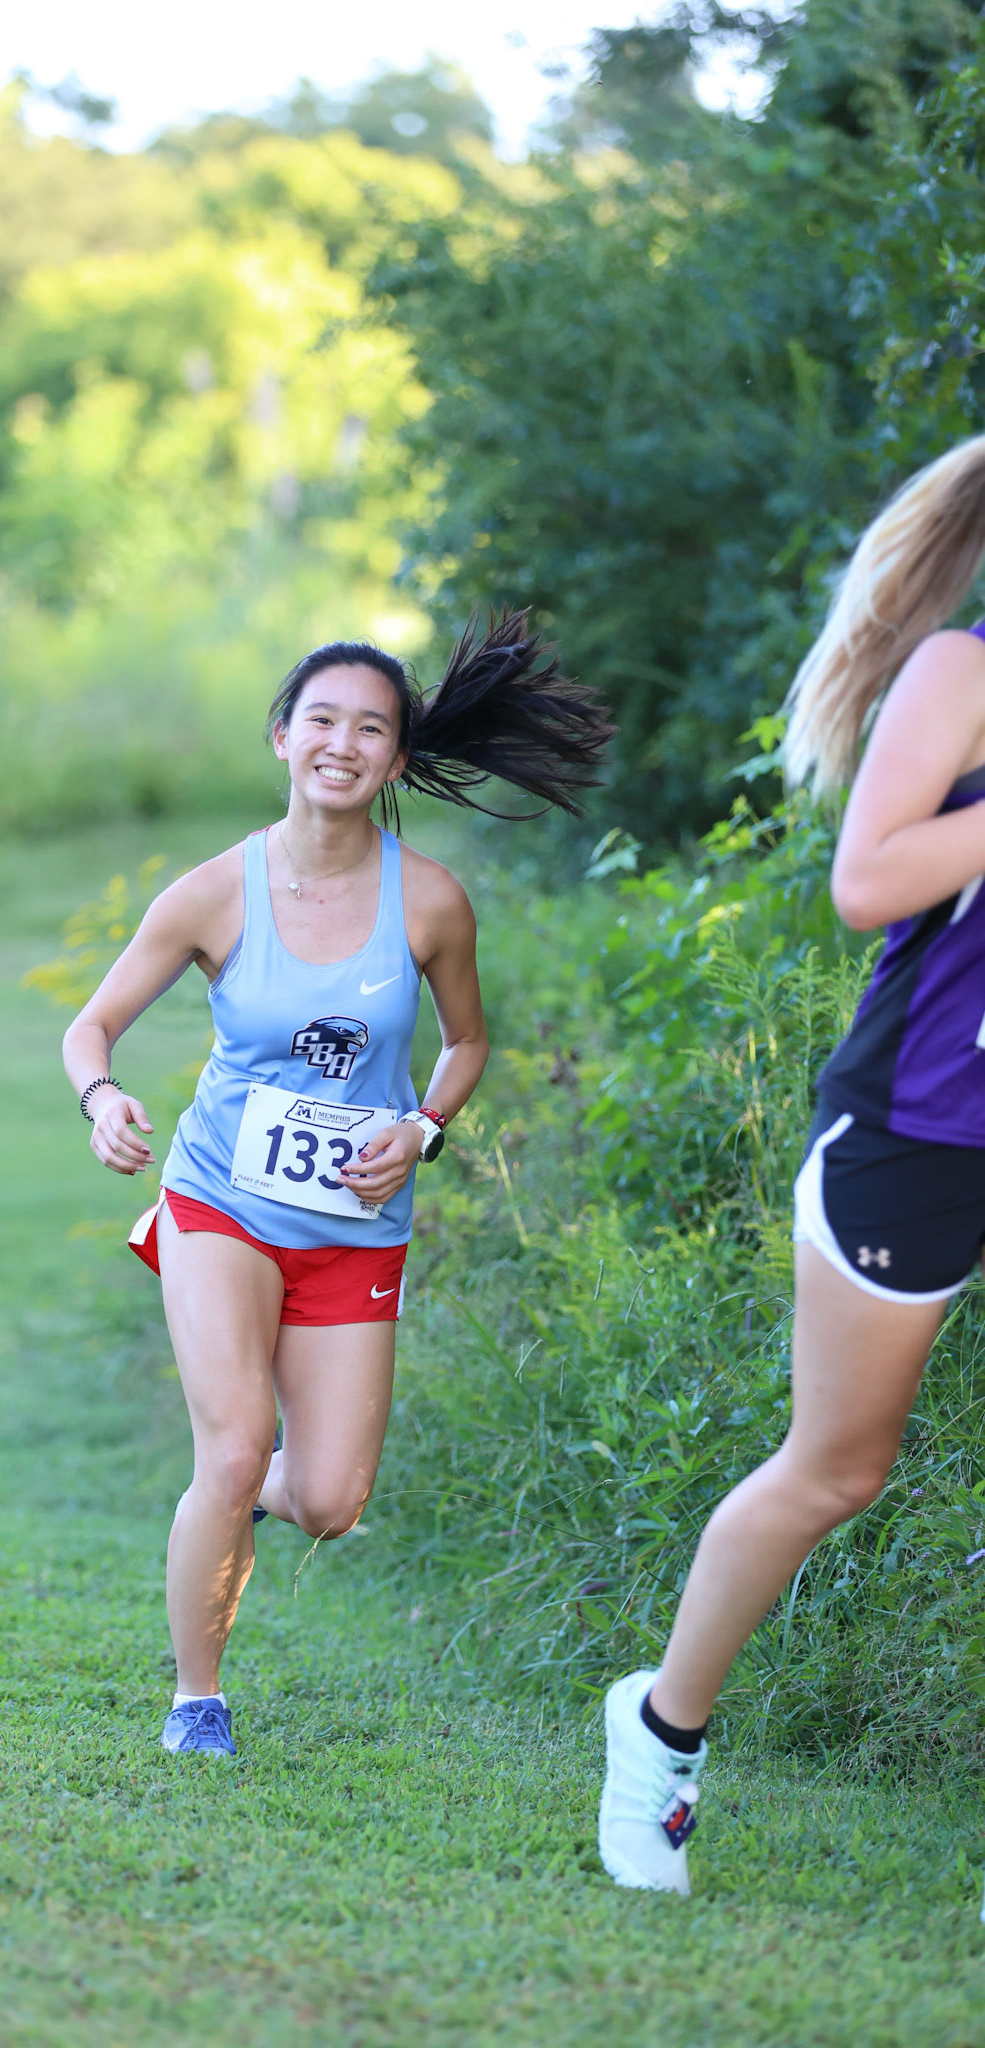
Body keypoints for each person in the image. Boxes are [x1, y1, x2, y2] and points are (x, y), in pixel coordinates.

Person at [63, 612, 613, 1756]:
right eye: (322, 719)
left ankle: (239, 1497)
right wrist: (103, 1096)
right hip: (220, 1200)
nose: (342, 744)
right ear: (282, 736)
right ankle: (197, 1699)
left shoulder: (432, 902)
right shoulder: (214, 892)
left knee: (328, 1500)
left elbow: (468, 1043)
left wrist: (422, 1126)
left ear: (397, 759)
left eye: (371, 728)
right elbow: (92, 1024)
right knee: (231, 1447)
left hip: (355, 1226)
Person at [597, 433, 985, 1897]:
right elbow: (865, 880)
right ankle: (659, 1733)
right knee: (839, 1467)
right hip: (920, 1127)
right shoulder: (959, 671)